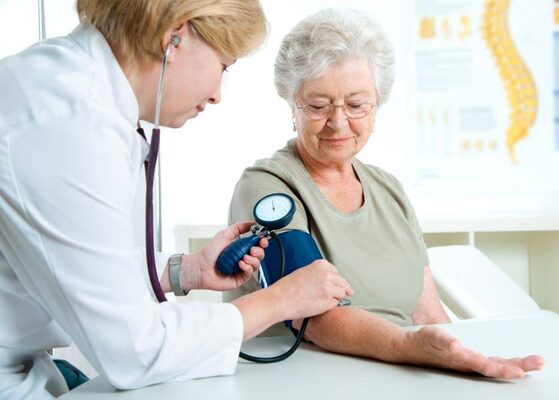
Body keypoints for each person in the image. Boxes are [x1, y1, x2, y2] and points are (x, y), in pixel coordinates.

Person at [0, 1, 352, 398]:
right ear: (175, 37)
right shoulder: (68, 123)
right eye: (224, 65)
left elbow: (76, 259)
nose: (217, 95)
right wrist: (279, 302)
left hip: (38, 369)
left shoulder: (66, 85)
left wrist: (185, 270)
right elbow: (135, 351)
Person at [226, 9, 544, 380]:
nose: (338, 122)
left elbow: (427, 314)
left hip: (403, 376)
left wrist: (467, 361)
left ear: (377, 104)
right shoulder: (267, 187)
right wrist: (409, 348)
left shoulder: (388, 190)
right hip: (306, 382)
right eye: (318, 105)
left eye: (356, 105)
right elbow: (310, 315)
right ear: (292, 103)